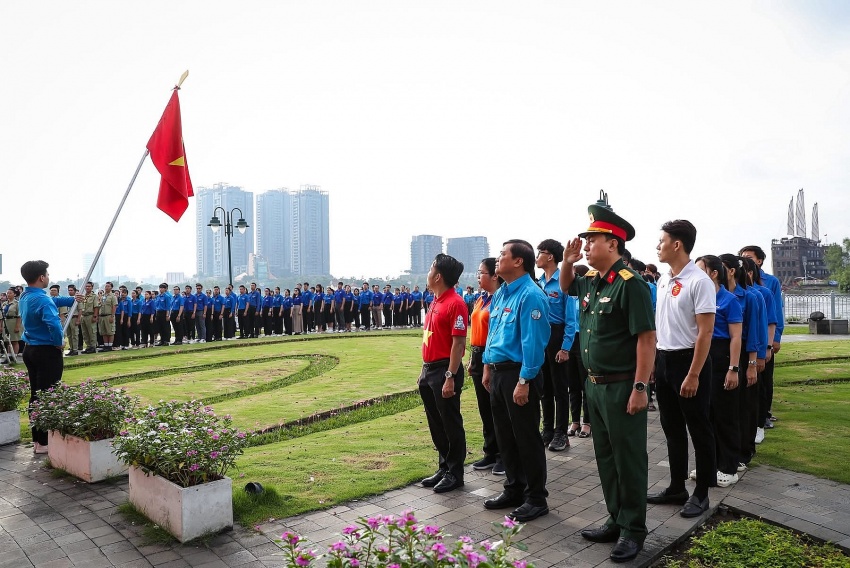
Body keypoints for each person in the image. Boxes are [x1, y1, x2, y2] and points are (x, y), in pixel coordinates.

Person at [559, 193, 655, 563]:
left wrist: (640, 387)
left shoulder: (629, 283)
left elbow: (647, 339)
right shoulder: (593, 280)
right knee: (606, 457)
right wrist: (568, 261)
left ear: (612, 243)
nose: (584, 245)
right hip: (594, 386)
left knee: (629, 459)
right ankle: (616, 518)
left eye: (591, 240)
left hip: (622, 386)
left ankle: (634, 530)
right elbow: (566, 286)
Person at [648, 220, 717, 519]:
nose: (657, 246)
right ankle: (677, 487)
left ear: (677, 244)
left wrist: (693, 374)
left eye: (661, 241)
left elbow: (705, 333)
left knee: (699, 428)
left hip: (689, 362)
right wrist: (654, 363)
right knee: (671, 427)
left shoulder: (699, 281)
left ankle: (701, 493)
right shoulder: (664, 280)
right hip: (664, 361)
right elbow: (660, 326)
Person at [482, 239, 551, 523]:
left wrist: (524, 381)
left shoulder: (530, 295)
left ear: (519, 261)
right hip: (498, 372)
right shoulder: (502, 293)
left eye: (502, 255)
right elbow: (493, 332)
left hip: (519, 374)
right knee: (505, 436)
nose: (498, 259)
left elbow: (533, 343)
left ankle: (536, 498)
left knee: (526, 436)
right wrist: (487, 366)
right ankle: (514, 488)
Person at [19, 260, 83, 454]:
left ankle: (38, 440)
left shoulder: (25, 296)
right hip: (46, 351)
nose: (48, 277)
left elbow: (54, 301)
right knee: (48, 396)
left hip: (30, 350)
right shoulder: (43, 300)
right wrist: (59, 341)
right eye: (47, 274)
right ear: (41, 277)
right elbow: (54, 325)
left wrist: (73, 299)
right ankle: (44, 442)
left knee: (36, 395)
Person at [418, 254, 468, 494]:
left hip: (444, 371)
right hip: (428, 370)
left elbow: (458, 344)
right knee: (436, 422)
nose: (427, 273)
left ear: (438, 276)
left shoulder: (455, 303)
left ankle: (455, 473)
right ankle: (444, 466)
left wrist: (450, 375)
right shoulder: (435, 300)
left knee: (450, 422)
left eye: (430, 268)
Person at [694, 255, 743, 488]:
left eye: (700, 269)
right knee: (706, 413)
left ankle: (729, 466)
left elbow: (736, 337)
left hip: (722, 356)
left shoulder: (729, 300)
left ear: (714, 273)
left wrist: (733, 368)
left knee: (725, 414)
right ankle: (710, 464)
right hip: (703, 357)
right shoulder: (698, 298)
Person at [536, 239, 578, 452]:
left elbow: (571, 318)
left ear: (550, 256)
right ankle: (548, 429)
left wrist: (565, 347)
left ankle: (561, 432)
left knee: (560, 388)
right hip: (542, 336)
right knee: (545, 388)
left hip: (558, 335)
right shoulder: (540, 282)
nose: (537, 256)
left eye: (540, 252)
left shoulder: (564, 281)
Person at [738, 245, 784, 432]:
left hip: (764, 339)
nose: (744, 259)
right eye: (742, 257)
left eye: (748, 257)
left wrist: (774, 340)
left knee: (764, 379)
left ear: (759, 260)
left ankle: (763, 414)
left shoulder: (769, 283)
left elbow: (775, 314)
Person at [468, 258, 504, 476]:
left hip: (491, 357)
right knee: (484, 407)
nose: (478, 277)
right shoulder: (481, 299)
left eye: (481, 273)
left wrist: (487, 361)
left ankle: (503, 455)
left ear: (494, 276)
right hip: (477, 354)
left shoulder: (500, 299)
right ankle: (490, 451)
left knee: (496, 408)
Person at [80, 281, 100, 354]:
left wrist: (95, 316)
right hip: (83, 316)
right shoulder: (83, 296)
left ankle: (93, 347)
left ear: (92, 287)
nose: (87, 287)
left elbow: (96, 307)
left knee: (92, 332)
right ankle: (88, 346)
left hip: (90, 315)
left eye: (89, 286)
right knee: (85, 332)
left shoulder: (94, 296)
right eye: (86, 286)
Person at [64, 284, 82, 356]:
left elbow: (80, 310)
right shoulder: (68, 299)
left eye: (71, 290)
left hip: (74, 317)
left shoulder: (77, 299)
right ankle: (71, 348)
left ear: (74, 291)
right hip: (68, 318)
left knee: (74, 334)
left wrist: (78, 319)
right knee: (69, 335)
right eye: (69, 290)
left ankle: (75, 349)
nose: (70, 292)